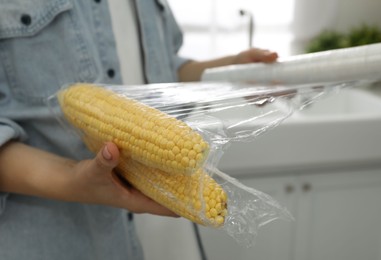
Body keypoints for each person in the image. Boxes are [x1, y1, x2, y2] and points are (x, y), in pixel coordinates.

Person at [0, 0, 278, 259]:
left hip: (173, 236)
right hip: (72, 235)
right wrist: (73, 179)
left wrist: (227, 70)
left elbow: (165, 70)